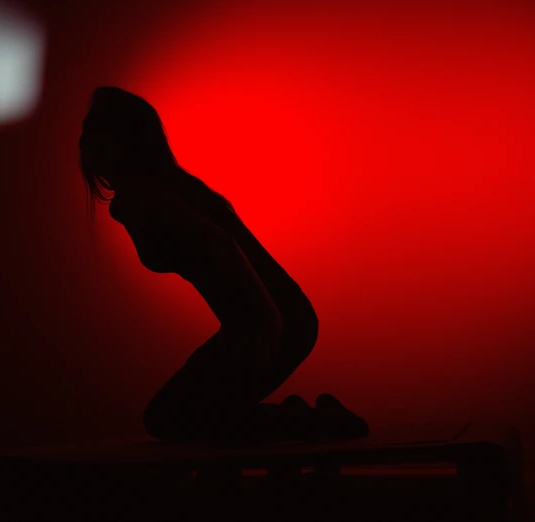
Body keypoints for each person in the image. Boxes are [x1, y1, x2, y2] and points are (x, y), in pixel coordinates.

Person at [79, 86, 369, 446]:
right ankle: (308, 418)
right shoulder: (165, 189)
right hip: (271, 319)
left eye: (95, 129)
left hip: (273, 322)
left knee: (171, 419)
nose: (85, 141)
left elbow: (222, 245)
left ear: (122, 139)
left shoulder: (143, 198)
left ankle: (317, 421)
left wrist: (264, 318)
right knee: (188, 418)